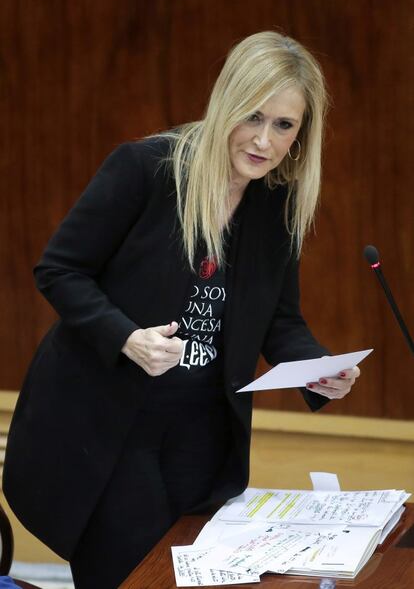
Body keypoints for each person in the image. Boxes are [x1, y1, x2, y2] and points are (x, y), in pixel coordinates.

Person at [3, 31, 360, 589]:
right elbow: (60, 269)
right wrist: (126, 337)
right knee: (130, 575)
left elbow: (279, 319)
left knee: (199, 578)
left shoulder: (276, 205)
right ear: (224, 103)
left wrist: (321, 370)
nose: (264, 140)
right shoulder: (146, 169)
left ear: (301, 133)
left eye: (284, 125)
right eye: (252, 116)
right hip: (111, 425)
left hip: (202, 433)